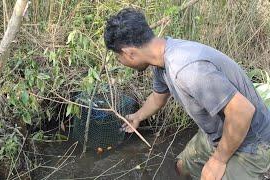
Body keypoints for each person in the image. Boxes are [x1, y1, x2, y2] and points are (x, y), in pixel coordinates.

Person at [104, 8, 270, 180]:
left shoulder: (187, 68)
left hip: (251, 142)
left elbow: (242, 112)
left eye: (118, 57)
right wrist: (137, 116)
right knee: (182, 167)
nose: (120, 62)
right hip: (218, 133)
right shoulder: (161, 60)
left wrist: (218, 160)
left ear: (129, 53)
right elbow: (157, 98)